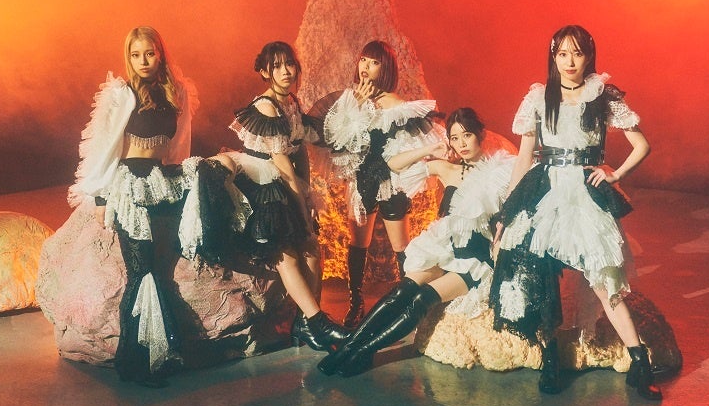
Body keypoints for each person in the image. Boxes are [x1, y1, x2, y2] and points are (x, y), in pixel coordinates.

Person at [489, 24, 662, 401]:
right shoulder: (539, 98)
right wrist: (507, 211)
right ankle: (549, 357)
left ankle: (640, 362)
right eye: (562, 53)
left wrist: (615, 174)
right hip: (544, 188)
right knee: (539, 274)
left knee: (603, 278)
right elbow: (524, 157)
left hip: (583, 193)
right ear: (553, 56)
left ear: (589, 57)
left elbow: (642, 144)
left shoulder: (602, 95)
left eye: (577, 53)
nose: (569, 61)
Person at [318, 108, 515, 377]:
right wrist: (430, 149)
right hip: (446, 251)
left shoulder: (499, 170)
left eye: (467, 135)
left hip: (473, 261)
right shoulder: (447, 169)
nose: (461, 144)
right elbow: (393, 166)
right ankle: (347, 350)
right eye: (455, 138)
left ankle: (363, 353)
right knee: (402, 291)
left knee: (421, 299)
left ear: (480, 134)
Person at [68, 26, 192, 388]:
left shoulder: (176, 92)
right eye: (136, 55)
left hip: (161, 184)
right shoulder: (120, 94)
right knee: (141, 272)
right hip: (128, 186)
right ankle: (135, 363)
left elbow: (180, 144)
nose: (143, 61)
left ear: (160, 53)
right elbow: (103, 148)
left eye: (149, 53)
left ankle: (160, 356)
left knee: (160, 271)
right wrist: (102, 198)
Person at [210, 41, 349, 351]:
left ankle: (304, 325)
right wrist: (301, 202)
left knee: (312, 251)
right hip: (262, 184)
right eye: (276, 66)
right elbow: (281, 162)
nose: (286, 71)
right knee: (287, 253)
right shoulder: (266, 105)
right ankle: (319, 323)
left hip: (285, 181)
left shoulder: (292, 103)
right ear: (265, 72)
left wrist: (307, 196)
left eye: (289, 64)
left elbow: (299, 152)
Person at [322, 40, 445, 327]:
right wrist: (357, 105)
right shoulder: (351, 99)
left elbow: (412, 146)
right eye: (363, 60)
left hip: (391, 181)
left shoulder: (399, 108)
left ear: (386, 68)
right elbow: (336, 141)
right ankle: (356, 303)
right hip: (361, 180)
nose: (366, 66)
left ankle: (407, 306)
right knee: (357, 244)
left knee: (400, 247)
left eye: (374, 62)